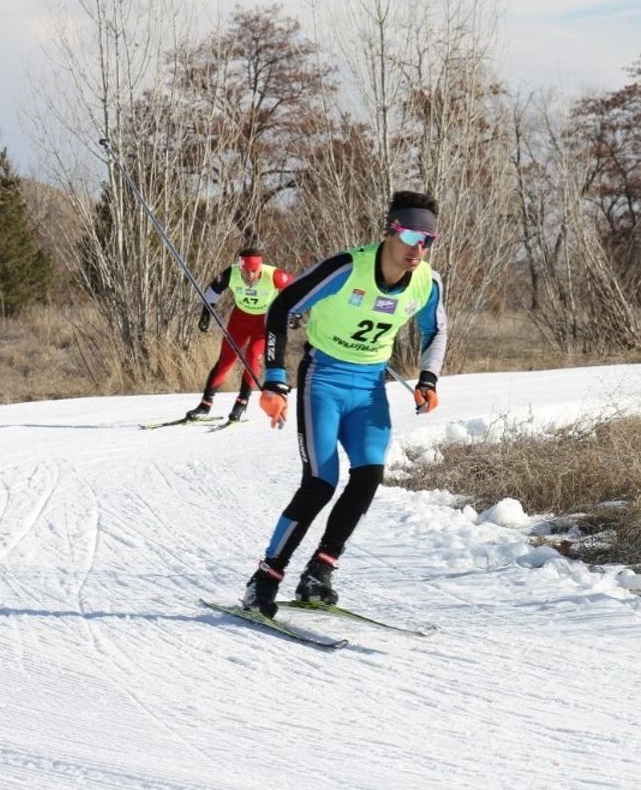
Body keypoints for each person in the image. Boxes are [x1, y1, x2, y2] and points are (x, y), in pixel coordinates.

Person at [241, 190, 448, 617]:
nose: (418, 248)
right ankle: (265, 577)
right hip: (324, 380)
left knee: (369, 474)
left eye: (427, 239)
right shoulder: (347, 267)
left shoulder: (428, 282)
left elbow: (436, 331)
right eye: (410, 235)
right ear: (390, 230)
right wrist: (275, 380)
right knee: (320, 482)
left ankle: (319, 571)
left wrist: (428, 378)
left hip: (370, 387)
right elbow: (281, 306)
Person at [186, 248, 293, 423]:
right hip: (240, 318)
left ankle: (241, 404)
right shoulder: (232, 273)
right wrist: (206, 314)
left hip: (265, 320)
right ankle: (205, 405)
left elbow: (297, 289)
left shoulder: (274, 275)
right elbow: (211, 292)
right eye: (245, 271)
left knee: (252, 357)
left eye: (253, 271)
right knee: (226, 359)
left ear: (260, 267)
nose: (249, 276)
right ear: (240, 267)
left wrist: (294, 313)